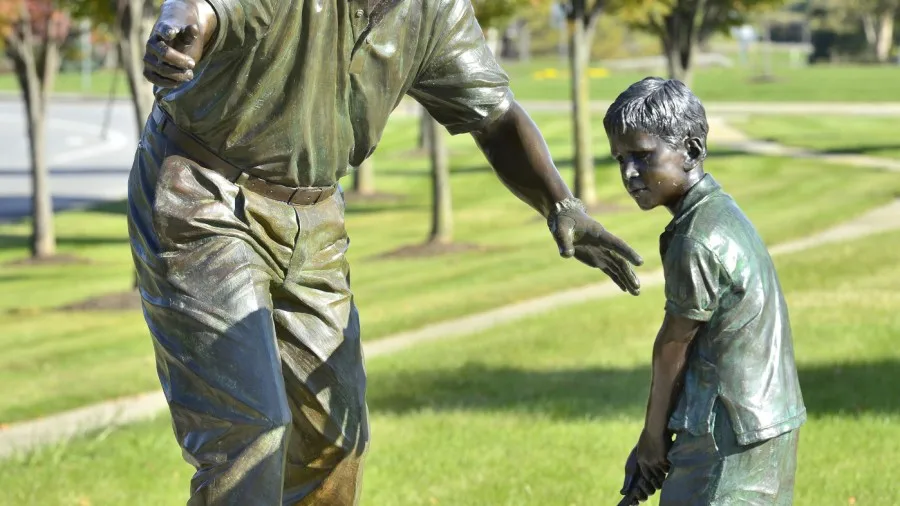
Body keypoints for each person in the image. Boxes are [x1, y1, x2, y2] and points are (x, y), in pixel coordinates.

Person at [130, 1, 645, 504]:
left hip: (315, 218)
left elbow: (494, 115)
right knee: (250, 429)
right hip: (204, 197)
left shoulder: (435, 12)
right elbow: (210, 9)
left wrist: (561, 205)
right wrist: (186, 20)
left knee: (335, 439)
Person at [605, 78, 807, 506]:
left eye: (642, 156)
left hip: (729, 434)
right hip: (756, 419)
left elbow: (674, 345)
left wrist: (653, 435)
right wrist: (656, 441)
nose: (628, 173)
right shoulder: (718, 213)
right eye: (620, 159)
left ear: (692, 150)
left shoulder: (696, 238)